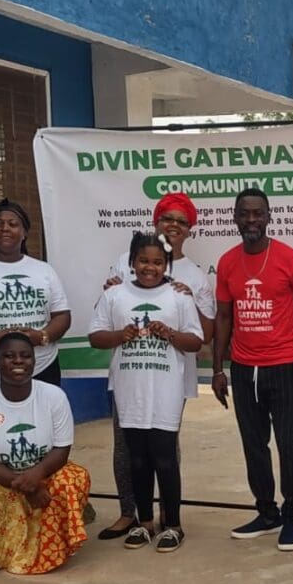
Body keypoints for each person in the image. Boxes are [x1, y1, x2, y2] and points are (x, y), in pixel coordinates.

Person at [212, 187, 293, 552]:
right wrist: (218, 368)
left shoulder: (289, 259)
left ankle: (292, 516)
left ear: (269, 216)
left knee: (288, 444)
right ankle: (266, 511)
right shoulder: (228, 262)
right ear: (234, 217)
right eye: (244, 214)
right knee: (253, 445)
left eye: (258, 214)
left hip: (285, 364)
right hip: (244, 368)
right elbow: (224, 317)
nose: (251, 221)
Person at [96, 194, 215, 541]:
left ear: (190, 230)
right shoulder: (122, 264)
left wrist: (186, 300)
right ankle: (131, 514)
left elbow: (203, 333)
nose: (173, 226)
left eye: (181, 221)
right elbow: (106, 312)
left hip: (169, 376)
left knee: (164, 449)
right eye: (167, 218)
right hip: (131, 376)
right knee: (128, 448)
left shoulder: (191, 277)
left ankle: (169, 518)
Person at [0, 332, 91, 575]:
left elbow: (61, 449)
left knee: (71, 479)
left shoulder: (54, 397)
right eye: (9, 356)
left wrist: (37, 477)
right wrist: (27, 486)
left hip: (44, 474)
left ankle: (52, 548)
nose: (18, 361)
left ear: (34, 362)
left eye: (25, 356)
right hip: (3, 479)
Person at [0, 198, 71, 389]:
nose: (4, 228)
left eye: (12, 224)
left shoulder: (44, 270)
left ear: (24, 232)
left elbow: (62, 316)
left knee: (42, 418)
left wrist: (41, 336)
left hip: (42, 366)